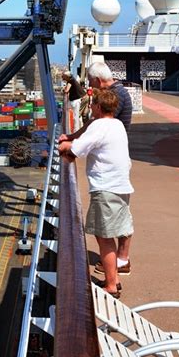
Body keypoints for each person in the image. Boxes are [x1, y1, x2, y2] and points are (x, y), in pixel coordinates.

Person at [58, 88, 134, 297]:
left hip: (106, 188)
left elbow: (76, 150)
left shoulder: (99, 125)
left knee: (104, 237)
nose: (90, 108)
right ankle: (115, 277)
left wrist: (64, 145)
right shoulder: (117, 125)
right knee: (115, 230)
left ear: (99, 107)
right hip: (121, 186)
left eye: (92, 105)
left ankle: (111, 285)